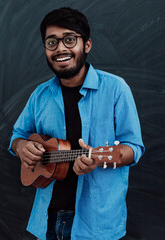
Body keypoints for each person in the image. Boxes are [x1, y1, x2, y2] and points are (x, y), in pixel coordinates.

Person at [9, 7, 145, 240]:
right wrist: (22, 147)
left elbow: (133, 148)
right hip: (47, 219)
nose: (60, 48)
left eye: (69, 39)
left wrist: (98, 158)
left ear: (87, 45)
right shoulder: (40, 95)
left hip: (97, 224)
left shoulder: (116, 89)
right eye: (52, 42)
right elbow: (17, 136)